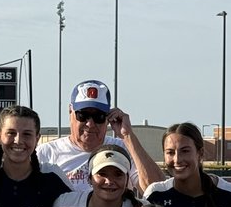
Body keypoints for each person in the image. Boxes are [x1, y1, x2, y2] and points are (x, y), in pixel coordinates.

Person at [36, 80, 164, 193]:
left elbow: (157, 192)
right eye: (83, 115)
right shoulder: (46, 153)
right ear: (70, 112)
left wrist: (128, 136)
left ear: (108, 117)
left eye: (99, 116)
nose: (90, 124)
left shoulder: (122, 149)